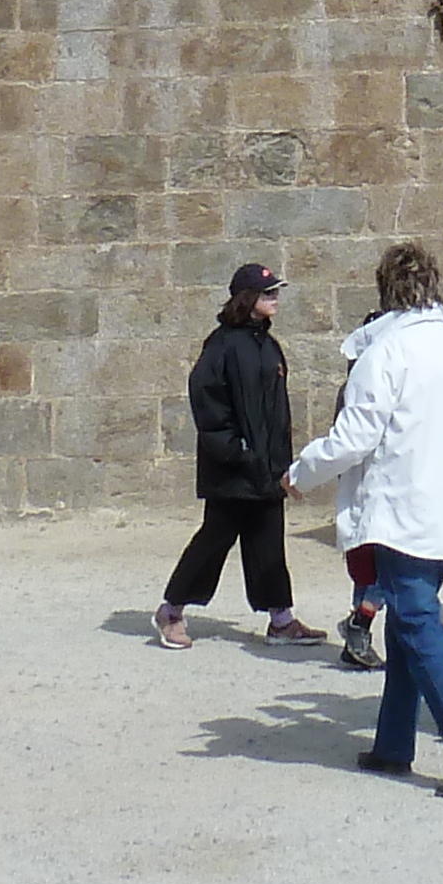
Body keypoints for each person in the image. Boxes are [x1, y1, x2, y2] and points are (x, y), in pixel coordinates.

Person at [287, 244, 443, 795]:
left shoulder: (383, 354)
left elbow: (355, 437)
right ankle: (392, 745)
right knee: (410, 621)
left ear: (384, 290)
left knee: (414, 623)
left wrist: (301, 471)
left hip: (405, 508)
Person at [155, 262, 322, 648]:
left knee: (268, 542)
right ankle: (172, 610)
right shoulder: (222, 344)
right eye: (268, 293)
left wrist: (282, 465)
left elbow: (276, 413)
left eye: (276, 291)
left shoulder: (267, 345)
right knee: (215, 540)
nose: (275, 298)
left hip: (266, 468)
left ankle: (281, 620)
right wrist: (236, 448)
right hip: (231, 469)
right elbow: (207, 400)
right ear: (247, 299)